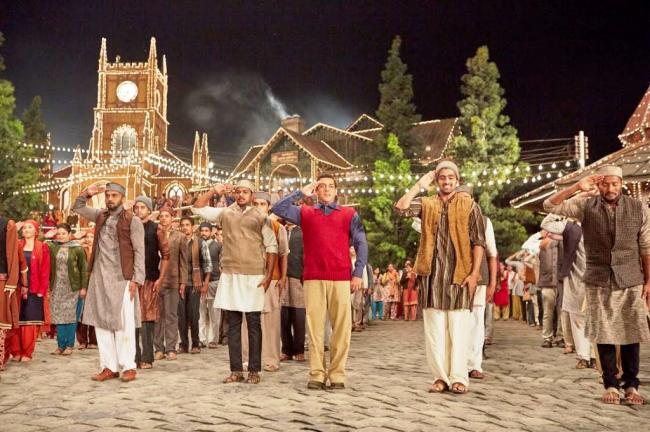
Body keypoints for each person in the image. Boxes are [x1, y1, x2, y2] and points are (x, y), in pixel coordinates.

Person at [544, 165, 650, 405]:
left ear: (621, 184)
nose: (610, 189)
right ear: (599, 184)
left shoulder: (639, 208)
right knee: (603, 332)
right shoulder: (585, 205)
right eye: (605, 184)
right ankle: (610, 384)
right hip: (598, 279)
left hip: (630, 278)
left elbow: (646, 246)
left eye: (614, 184)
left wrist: (648, 281)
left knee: (631, 333)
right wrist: (576, 187)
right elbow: (549, 206)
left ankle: (631, 386)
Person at [396, 160, 485, 394]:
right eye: (442, 177)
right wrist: (419, 185)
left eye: (451, 178)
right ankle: (440, 378)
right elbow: (401, 207)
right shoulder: (427, 203)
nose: (447, 181)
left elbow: (479, 242)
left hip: (459, 276)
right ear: (437, 181)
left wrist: (474, 274)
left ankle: (459, 378)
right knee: (435, 332)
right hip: (432, 277)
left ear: (457, 180)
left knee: (458, 330)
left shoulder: (470, 205)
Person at [272, 173, 368, 390]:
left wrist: (358, 272)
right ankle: (316, 374)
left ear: (336, 190)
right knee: (314, 329)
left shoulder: (349, 214)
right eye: (322, 186)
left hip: (341, 277)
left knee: (342, 329)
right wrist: (300, 192)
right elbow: (278, 208)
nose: (326, 189)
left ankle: (337, 374)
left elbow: (361, 242)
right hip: (313, 277)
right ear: (316, 190)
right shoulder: (305, 212)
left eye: (330, 186)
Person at [192, 180, 277, 385]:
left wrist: (268, 276)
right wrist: (213, 191)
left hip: (254, 275)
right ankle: (236, 370)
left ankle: (254, 370)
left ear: (252, 195)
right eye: (238, 192)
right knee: (234, 325)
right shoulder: (225, 213)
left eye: (245, 192)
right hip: (230, 274)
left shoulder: (261, 216)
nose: (241, 195)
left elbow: (271, 247)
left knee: (254, 324)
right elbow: (197, 207)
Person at [72, 182, 145, 382]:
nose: (110, 199)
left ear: (122, 198)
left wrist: (137, 279)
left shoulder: (132, 220)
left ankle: (128, 366)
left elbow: (139, 251)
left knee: (123, 323)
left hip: (123, 278)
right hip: (99, 277)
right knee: (101, 323)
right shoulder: (100, 215)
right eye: (108, 195)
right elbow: (78, 207)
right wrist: (87, 193)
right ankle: (109, 367)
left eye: (114, 195)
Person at [247, 192, 288, 372]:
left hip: (272, 278)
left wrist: (283, 278)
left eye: (262, 204)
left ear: (269, 206)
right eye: (255, 203)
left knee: (270, 321)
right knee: (247, 320)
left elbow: (283, 254)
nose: (258, 207)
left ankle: (271, 359)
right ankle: (247, 359)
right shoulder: (244, 224)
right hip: (248, 278)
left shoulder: (278, 227)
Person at [133, 196, 170, 369]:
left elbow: (166, 255)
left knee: (147, 319)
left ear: (149, 210)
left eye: (142, 207)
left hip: (150, 278)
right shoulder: (130, 227)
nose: (139, 210)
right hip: (132, 279)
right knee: (132, 318)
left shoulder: (156, 229)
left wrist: (161, 279)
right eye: (136, 207)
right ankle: (134, 356)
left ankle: (147, 358)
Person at [9, 220, 50, 362]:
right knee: (16, 320)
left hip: (35, 289)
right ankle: (16, 351)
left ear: (36, 230)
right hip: (17, 288)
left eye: (30, 227)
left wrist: (42, 289)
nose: (26, 230)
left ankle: (27, 352)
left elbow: (45, 270)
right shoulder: (16, 245)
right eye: (24, 228)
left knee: (30, 321)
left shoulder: (42, 247)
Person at [48, 223, 88, 356]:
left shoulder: (77, 248)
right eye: (58, 234)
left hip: (73, 288)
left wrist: (83, 287)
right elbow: (38, 245)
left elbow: (84, 269)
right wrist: (46, 236)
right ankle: (60, 346)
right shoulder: (53, 247)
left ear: (69, 234)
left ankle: (69, 345)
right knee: (59, 316)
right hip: (57, 287)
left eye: (63, 233)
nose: (60, 236)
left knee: (71, 317)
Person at [154, 206, 188, 361]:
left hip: (173, 279)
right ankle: (158, 348)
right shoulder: (154, 234)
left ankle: (170, 348)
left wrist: (183, 282)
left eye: (167, 215)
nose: (163, 218)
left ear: (172, 218)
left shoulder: (180, 237)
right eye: (161, 215)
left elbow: (183, 261)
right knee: (157, 316)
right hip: (155, 279)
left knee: (171, 315)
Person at [178, 217, 211, 354]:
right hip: (180, 283)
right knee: (181, 315)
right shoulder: (178, 241)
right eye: (182, 225)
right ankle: (184, 344)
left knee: (193, 314)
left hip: (195, 283)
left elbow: (207, 265)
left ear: (192, 227)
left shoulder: (200, 243)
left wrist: (205, 283)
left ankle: (195, 343)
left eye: (187, 225)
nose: (185, 227)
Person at [0, 216, 25, 373]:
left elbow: (12, 255)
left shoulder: (6, 225)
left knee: (1, 321)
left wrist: (11, 282)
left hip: (1, 280)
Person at [281, 222, 306, 362]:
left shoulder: (302, 231)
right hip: (282, 279)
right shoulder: (280, 230)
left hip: (298, 278)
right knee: (283, 316)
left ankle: (299, 350)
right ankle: (286, 350)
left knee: (299, 316)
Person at [538, 229, 565, 348]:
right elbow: (543, 245)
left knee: (562, 311)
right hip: (547, 281)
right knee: (547, 312)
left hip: (561, 281)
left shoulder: (563, 241)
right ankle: (547, 338)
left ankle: (560, 337)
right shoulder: (543, 243)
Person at [198, 222, 222, 349]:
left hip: (214, 281)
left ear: (211, 232)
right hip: (199, 283)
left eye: (206, 230)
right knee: (200, 312)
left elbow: (222, 264)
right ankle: (201, 339)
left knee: (214, 312)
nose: (204, 233)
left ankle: (213, 339)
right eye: (202, 230)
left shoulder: (217, 246)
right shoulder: (197, 244)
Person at [76, 229, 96, 349]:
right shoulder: (81, 250)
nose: (89, 239)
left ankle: (93, 340)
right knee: (81, 312)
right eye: (87, 237)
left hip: (95, 284)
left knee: (94, 312)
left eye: (91, 237)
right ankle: (82, 340)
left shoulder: (99, 250)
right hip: (83, 283)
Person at [351, 246, 368, 331]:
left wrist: (365, 286)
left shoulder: (360, 262)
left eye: (354, 249)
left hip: (359, 286)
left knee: (358, 304)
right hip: (349, 285)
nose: (352, 250)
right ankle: (350, 323)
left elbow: (364, 274)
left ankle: (357, 323)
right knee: (350, 304)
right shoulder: (347, 260)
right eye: (351, 249)